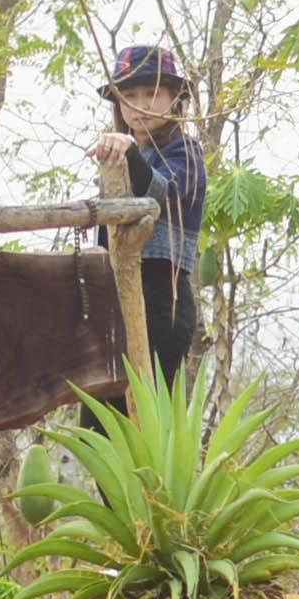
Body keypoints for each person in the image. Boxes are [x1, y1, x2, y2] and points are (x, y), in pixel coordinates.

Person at [86, 39, 210, 385]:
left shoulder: (186, 152)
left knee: (152, 416)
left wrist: (131, 155)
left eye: (151, 93)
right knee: (100, 420)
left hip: (161, 298)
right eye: (130, 95)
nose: (140, 105)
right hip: (113, 299)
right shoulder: (119, 157)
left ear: (174, 98)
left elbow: (162, 193)